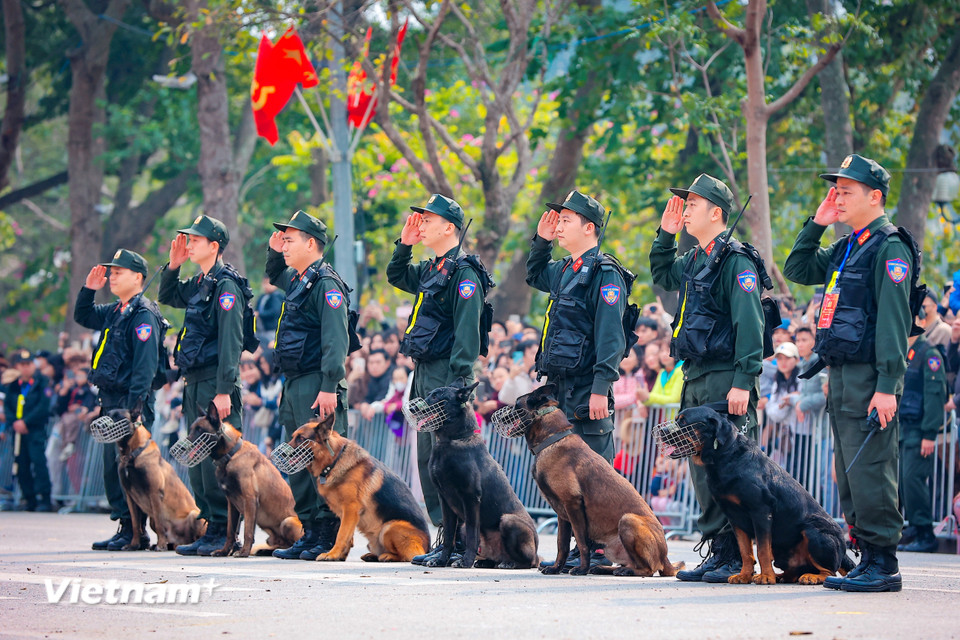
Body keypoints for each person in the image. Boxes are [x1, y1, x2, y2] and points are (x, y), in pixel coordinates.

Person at [783, 153, 917, 592]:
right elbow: (797, 269)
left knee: (872, 468)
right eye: (834, 190)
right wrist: (817, 222)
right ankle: (865, 556)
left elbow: (895, 323)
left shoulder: (889, 246)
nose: (837, 198)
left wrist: (888, 386)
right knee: (849, 469)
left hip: (869, 377)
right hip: (840, 375)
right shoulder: (848, 245)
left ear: (874, 196)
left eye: (846, 191)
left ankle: (885, 563)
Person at [649, 174, 765, 583]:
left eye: (693, 204)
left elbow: (750, 325)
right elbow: (662, 275)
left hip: (723, 378)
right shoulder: (696, 258)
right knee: (702, 467)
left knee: (730, 470)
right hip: (695, 375)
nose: (685, 210)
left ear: (717, 212)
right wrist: (665, 234)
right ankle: (719, 547)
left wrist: (744, 380)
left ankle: (738, 553)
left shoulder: (736, 260)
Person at [527, 189, 633, 570]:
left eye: (567, 219)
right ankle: (579, 548)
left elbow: (610, 336)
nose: (560, 224)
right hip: (561, 385)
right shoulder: (564, 269)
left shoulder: (605, 273)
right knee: (568, 477)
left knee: (595, 471)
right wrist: (541, 240)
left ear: (589, 227)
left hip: (588, 385)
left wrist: (602, 387)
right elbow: (534, 272)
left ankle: (602, 548)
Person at [387, 193, 493, 565]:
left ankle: (464, 540)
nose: (421, 224)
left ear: (450, 227)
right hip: (425, 372)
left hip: (446, 378)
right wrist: (405, 244)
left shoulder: (463, 274)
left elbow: (467, 335)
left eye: (428, 219)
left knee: (452, 464)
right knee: (428, 459)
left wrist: (459, 387)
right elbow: (397, 275)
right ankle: (444, 537)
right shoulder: (432, 269)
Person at [265, 210, 353, 561]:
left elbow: (336, 340)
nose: (284, 245)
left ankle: (328, 535)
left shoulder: (325, 284)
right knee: (299, 458)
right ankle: (309, 532)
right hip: (295, 381)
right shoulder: (300, 279)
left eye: (289, 240)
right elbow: (274, 275)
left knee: (324, 462)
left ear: (311, 243)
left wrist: (330, 384)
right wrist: (274, 252)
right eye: (283, 240)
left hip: (318, 382)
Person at [159, 214, 247, 556]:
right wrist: (173, 265)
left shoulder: (226, 285)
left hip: (214, 381)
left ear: (214, 245)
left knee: (219, 463)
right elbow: (169, 295)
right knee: (198, 459)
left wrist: (224, 389)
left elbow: (231, 341)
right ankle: (210, 526)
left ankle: (226, 532)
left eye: (195, 240)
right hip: (194, 379)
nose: (188, 244)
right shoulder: (200, 282)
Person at [75, 249, 165, 550]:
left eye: (118, 272)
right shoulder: (116, 311)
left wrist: (135, 408)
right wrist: (89, 289)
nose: (112, 277)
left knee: (134, 469)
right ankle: (126, 526)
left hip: (130, 405)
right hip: (111, 403)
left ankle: (138, 531)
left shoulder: (143, 314)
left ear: (138, 277)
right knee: (114, 468)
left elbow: (145, 366)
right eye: (111, 273)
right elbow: (83, 315)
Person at [897, 312, 947, 553]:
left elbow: (935, 397)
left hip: (919, 431)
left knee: (913, 481)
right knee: (904, 483)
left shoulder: (930, 354)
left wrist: (929, 434)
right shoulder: (906, 353)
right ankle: (914, 528)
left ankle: (925, 532)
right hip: (904, 430)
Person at [4, 351, 53, 511]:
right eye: (22, 365)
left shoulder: (42, 382)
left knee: (38, 462)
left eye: (28, 365)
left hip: (34, 429)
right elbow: (8, 406)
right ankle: (29, 498)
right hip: (18, 432)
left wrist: (26, 422)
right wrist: (15, 422)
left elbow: (43, 406)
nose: (25, 368)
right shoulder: (14, 385)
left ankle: (45, 498)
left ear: (33, 365)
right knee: (21, 464)